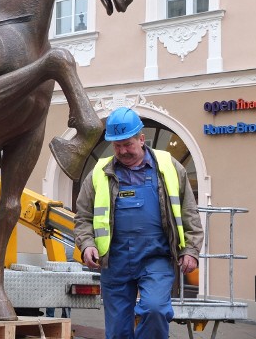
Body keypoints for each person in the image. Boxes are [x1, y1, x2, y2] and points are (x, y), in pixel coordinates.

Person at [74, 107, 203, 339]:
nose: (122, 151)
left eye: (127, 144)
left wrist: (191, 249)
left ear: (142, 139)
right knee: (117, 330)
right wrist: (87, 244)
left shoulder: (170, 167)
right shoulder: (99, 173)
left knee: (155, 309)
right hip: (115, 260)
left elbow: (189, 211)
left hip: (157, 257)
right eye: (117, 146)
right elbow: (83, 216)